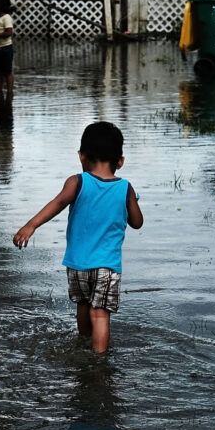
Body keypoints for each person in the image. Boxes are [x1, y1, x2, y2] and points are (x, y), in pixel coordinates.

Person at [13, 122, 144, 353]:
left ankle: (84, 344)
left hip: (77, 265)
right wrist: (131, 201)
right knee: (100, 313)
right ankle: (99, 359)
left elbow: (58, 203)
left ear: (81, 156)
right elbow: (137, 223)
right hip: (107, 266)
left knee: (83, 306)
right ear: (120, 161)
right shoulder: (126, 188)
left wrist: (31, 225)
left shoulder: (77, 182)